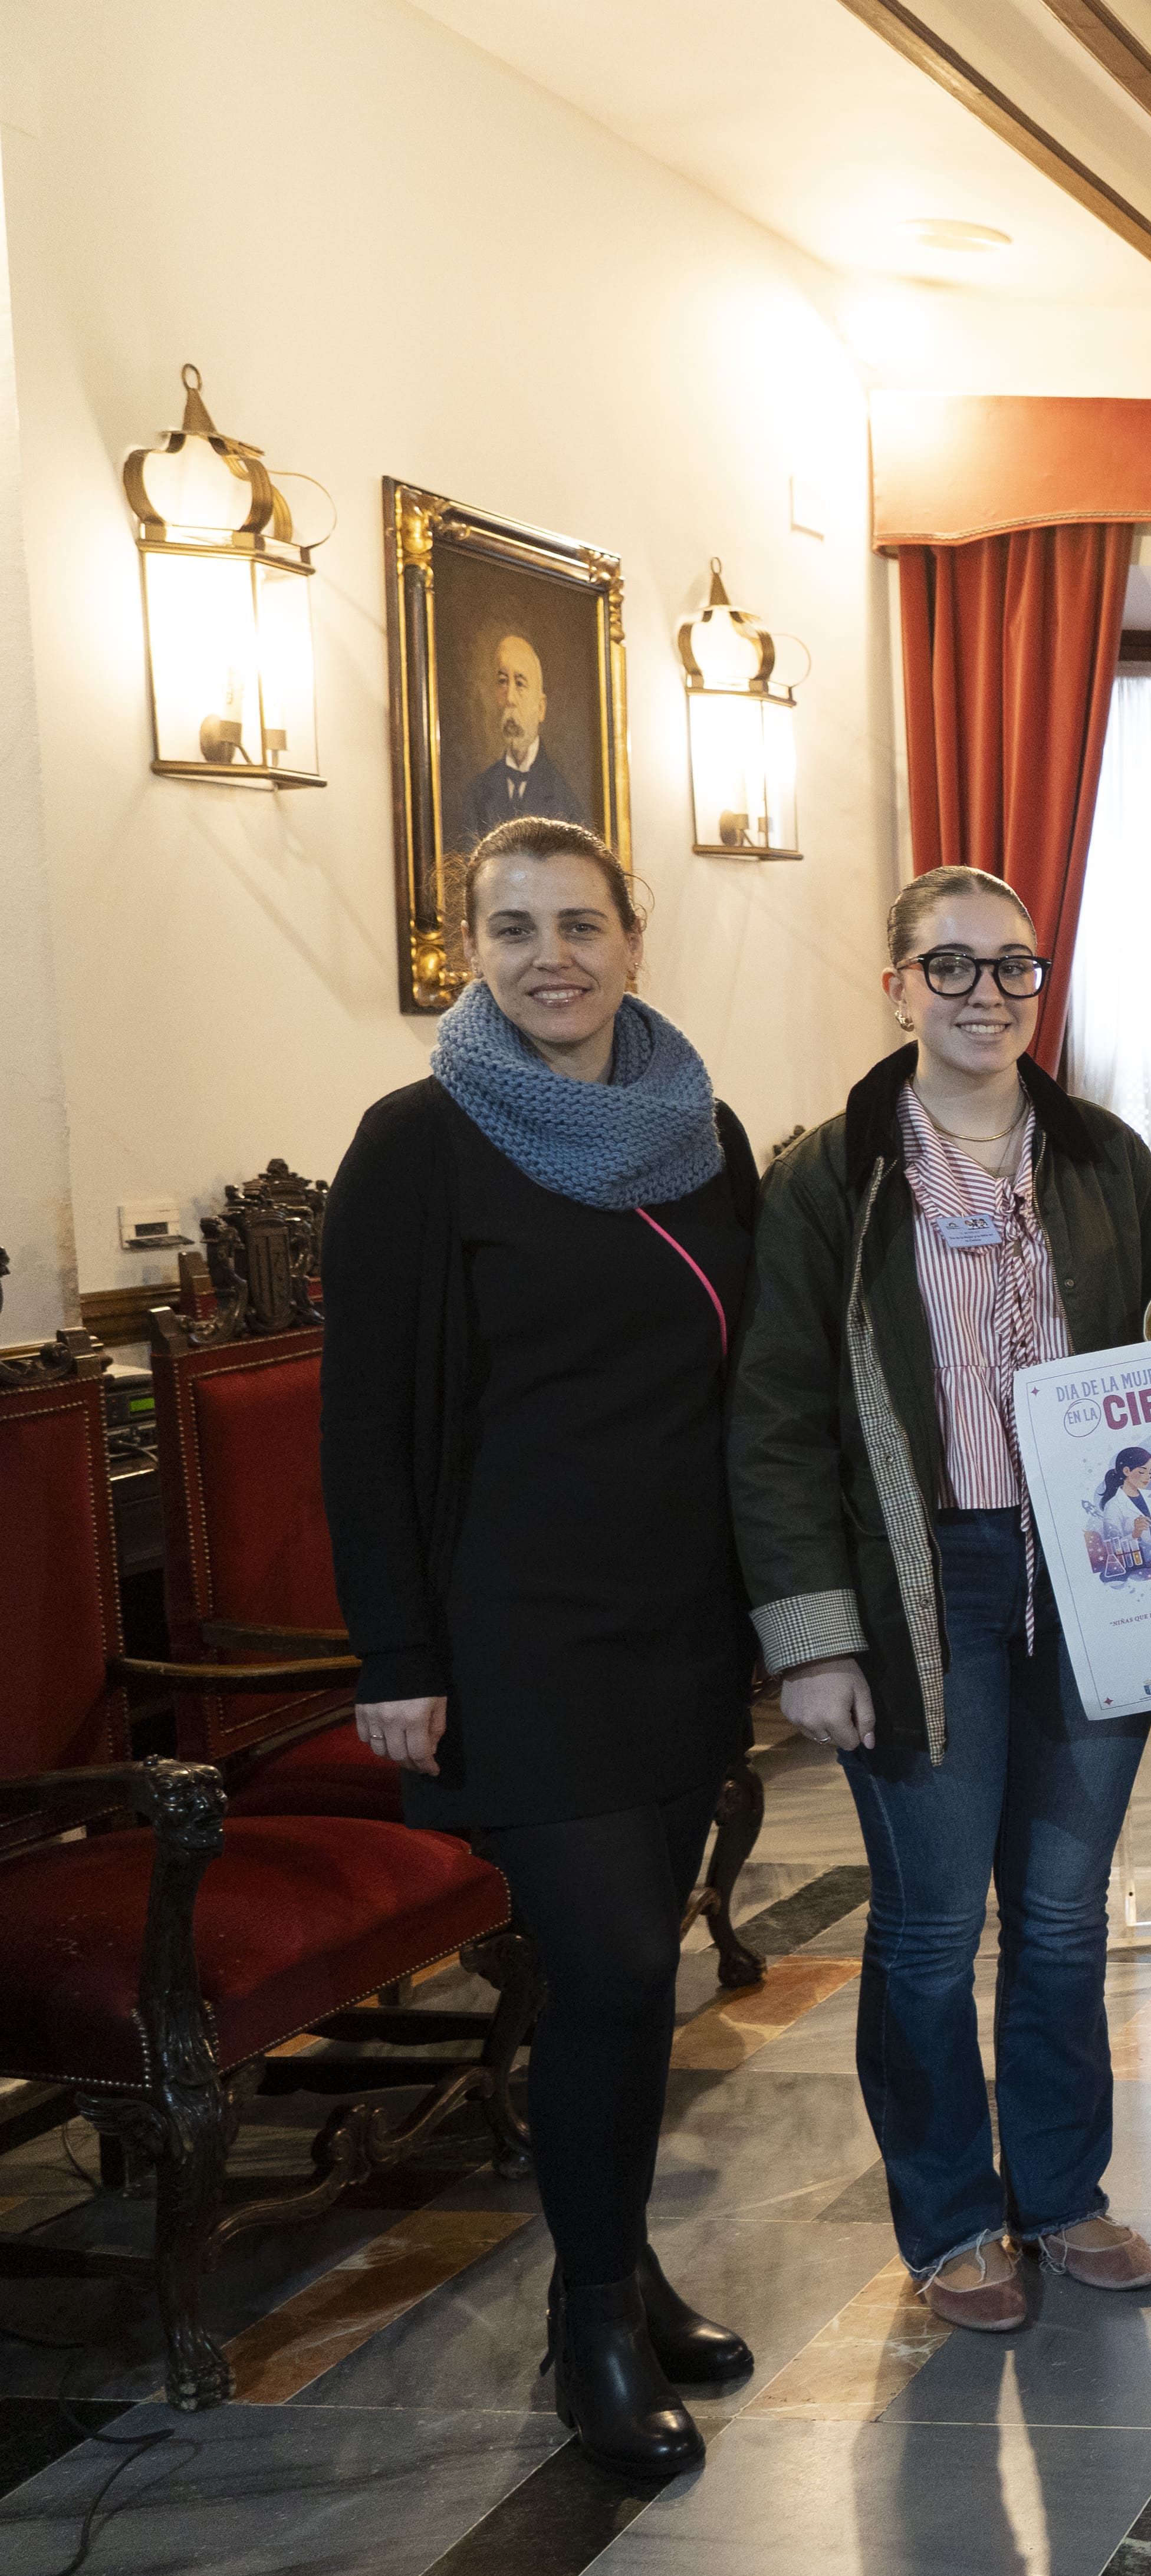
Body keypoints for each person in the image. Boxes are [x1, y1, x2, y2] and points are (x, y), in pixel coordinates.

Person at [320, 816, 762, 2483]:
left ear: (634, 942)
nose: (550, 956)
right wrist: (396, 1656)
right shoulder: (415, 1143)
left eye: (580, 923)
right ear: (470, 953)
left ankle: (629, 2265)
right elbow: (363, 1433)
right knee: (618, 1969)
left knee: (633, 1999)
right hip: (514, 1636)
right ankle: (586, 2324)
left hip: (677, 1622)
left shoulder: (704, 1135)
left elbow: (746, 1384)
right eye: (514, 929)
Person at [728, 867, 1151, 2334]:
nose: (984, 995)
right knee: (933, 1925)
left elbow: (1143, 1353)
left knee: (1062, 1916)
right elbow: (777, 1413)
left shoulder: (1108, 1156)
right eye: (950, 967)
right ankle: (948, 2218)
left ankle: (1059, 2194)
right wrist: (812, 1638)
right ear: (896, 985)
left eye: (1013, 969)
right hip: (919, 1581)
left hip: (1088, 1583)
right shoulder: (829, 1173)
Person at [448, 631, 590, 847]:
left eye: (520, 684)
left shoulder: (564, 797)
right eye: (503, 682)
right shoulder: (476, 793)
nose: (510, 698)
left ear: (541, 708)